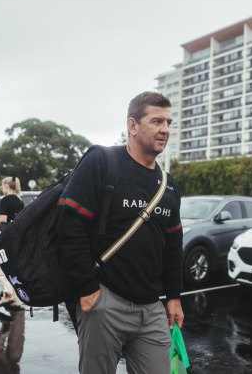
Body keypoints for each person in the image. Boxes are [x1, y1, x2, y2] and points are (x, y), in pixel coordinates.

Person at [57, 91, 184, 374]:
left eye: (168, 122)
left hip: (152, 308)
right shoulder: (102, 162)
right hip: (105, 301)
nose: (165, 129)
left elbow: (173, 244)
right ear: (132, 125)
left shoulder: (169, 184)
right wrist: (88, 289)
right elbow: (69, 225)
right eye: (156, 121)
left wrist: (174, 296)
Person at [0, 176, 24, 308]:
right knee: (13, 270)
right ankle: (17, 301)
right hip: (17, 238)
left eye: (2, 186)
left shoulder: (4, 200)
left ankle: (8, 295)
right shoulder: (19, 201)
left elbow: (3, 221)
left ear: (6, 186)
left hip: (6, 239)